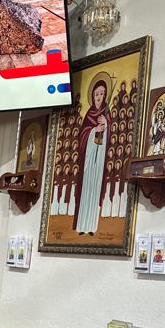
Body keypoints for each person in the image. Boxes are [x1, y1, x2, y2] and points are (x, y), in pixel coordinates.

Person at [73, 78, 111, 235]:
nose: (99, 96)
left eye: (102, 93)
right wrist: (95, 130)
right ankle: (82, 226)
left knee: (95, 191)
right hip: (88, 160)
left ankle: (91, 227)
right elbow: (82, 136)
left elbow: (109, 137)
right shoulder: (89, 114)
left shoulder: (106, 114)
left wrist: (106, 125)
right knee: (86, 192)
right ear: (92, 96)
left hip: (99, 160)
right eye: (97, 94)